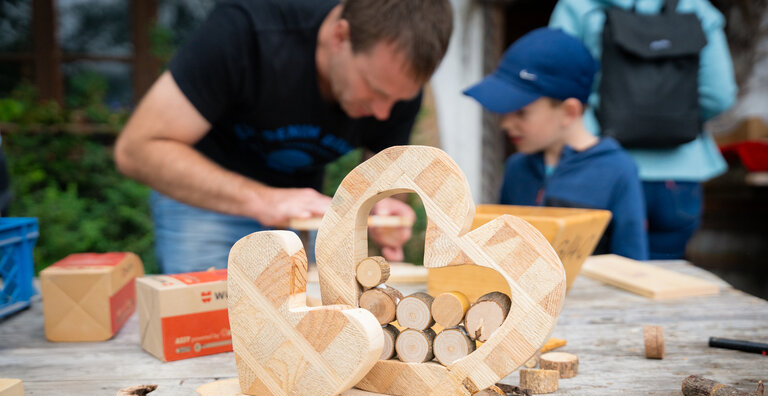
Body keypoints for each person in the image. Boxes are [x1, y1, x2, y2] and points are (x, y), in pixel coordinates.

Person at [115, 0, 453, 273]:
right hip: (204, 204)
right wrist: (263, 200)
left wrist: (383, 211)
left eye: (397, 100)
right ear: (340, 37)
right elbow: (137, 149)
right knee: (210, 333)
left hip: (300, 214)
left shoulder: (395, 90)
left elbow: (383, 178)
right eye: (375, 90)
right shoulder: (246, 30)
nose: (383, 113)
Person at [550, 0, 737, 259]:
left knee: (593, 275)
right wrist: (676, 120)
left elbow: (558, 83)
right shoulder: (697, 8)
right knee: (661, 279)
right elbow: (720, 95)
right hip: (677, 173)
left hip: (600, 167)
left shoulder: (579, 6)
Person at [464, 28, 648, 260]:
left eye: (521, 112)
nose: (506, 124)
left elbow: (632, 263)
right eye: (505, 112)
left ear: (569, 112)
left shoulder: (617, 171)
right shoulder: (517, 168)